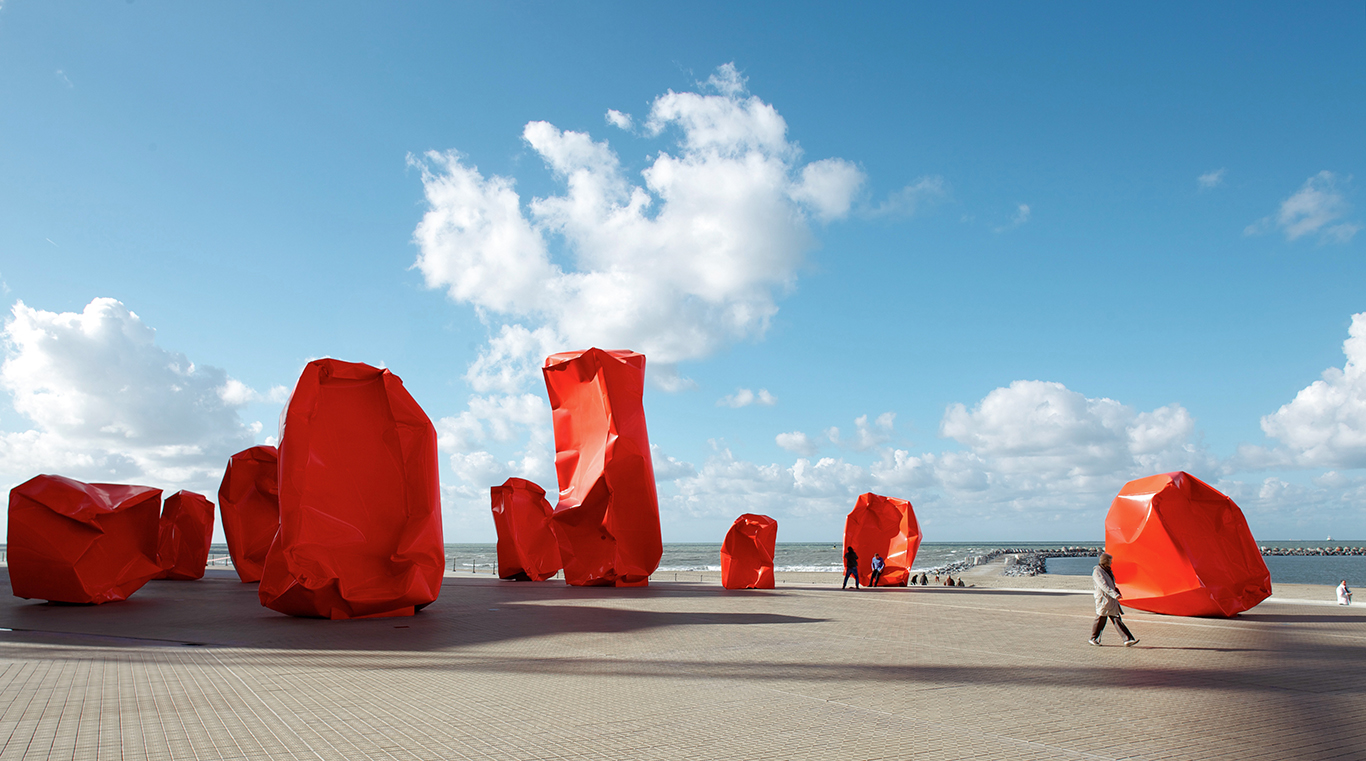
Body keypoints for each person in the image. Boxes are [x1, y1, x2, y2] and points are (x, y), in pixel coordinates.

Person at [1090, 552, 1138, 647]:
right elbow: (1103, 585)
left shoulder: (1108, 570)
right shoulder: (1097, 571)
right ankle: (1093, 638)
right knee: (1101, 618)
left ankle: (1127, 639)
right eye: (1110, 561)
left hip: (1110, 599)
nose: (1111, 563)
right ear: (1105, 561)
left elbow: (1111, 583)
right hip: (1104, 599)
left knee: (1116, 618)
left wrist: (1116, 590)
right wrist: (1114, 594)